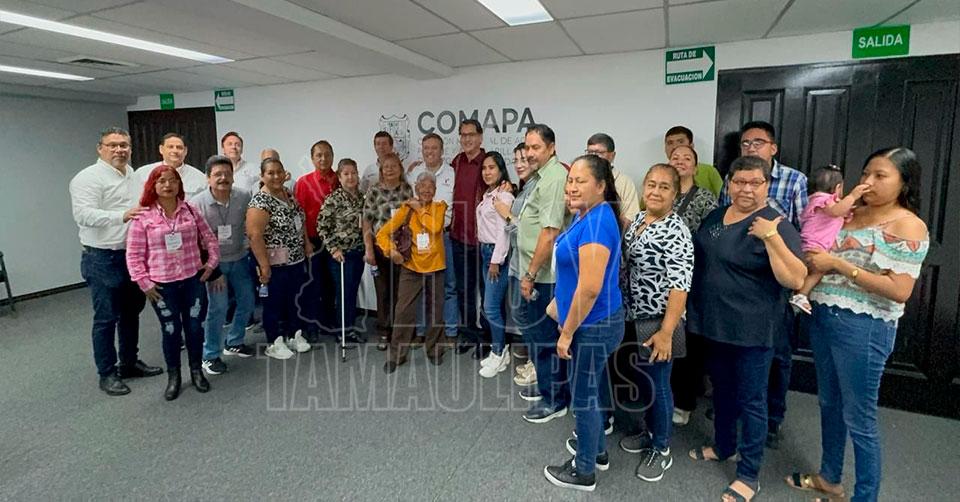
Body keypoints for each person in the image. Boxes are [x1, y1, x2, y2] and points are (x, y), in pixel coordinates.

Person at [785, 147, 928, 502]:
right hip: (823, 317)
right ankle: (829, 478)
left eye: (880, 176)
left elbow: (899, 290)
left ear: (904, 182)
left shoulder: (907, 224)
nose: (868, 182)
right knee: (829, 404)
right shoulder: (850, 212)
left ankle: (865, 497)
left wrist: (839, 265)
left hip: (864, 326)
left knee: (860, 418)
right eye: (865, 173)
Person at [687, 156, 806, 502]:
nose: (747, 189)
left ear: (767, 185)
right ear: (729, 183)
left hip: (753, 330)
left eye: (756, 183)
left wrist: (771, 238)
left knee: (752, 401)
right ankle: (724, 446)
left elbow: (796, 279)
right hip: (715, 324)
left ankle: (749, 475)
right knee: (722, 391)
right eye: (740, 182)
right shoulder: (716, 216)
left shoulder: (776, 224)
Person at [719, 120, 809, 448]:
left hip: (777, 276)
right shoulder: (732, 178)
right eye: (745, 143)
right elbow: (726, 216)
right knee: (736, 362)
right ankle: (734, 418)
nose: (751, 147)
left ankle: (772, 420)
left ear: (773, 147)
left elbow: (805, 228)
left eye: (758, 142)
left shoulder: (795, 180)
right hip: (739, 274)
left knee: (777, 357)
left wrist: (779, 247)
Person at [542, 154, 623, 492]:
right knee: (590, 391)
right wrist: (557, 305)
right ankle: (596, 450)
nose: (572, 187)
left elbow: (589, 288)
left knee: (584, 398)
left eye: (581, 181)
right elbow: (574, 273)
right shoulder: (586, 214)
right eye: (570, 180)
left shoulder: (596, 224)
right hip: (591, 321)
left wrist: (567, 332)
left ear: (601, 186)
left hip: (592, 325)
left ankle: (584, 470)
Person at [70, 127, 163, 396]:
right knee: (106, 317)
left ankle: (129, 363)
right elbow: (83, 215)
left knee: (131, 312)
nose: (119, 150)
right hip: (102, 257)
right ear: (100, 148)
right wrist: (121, 215)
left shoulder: (133, 175)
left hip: (132, 255)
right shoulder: (87, 178)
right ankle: (107, 373)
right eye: (113, 145)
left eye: (124, 145)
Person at [617, 164, 694, 483]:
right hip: (635, 316)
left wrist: (666, 332)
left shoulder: (677, 231)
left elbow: (680, 285)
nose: (655, 191)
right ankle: (649, 432)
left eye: (664, 187)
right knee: (645, 382)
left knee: (659, 385)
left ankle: (661, 448)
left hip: (660, 321)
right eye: (651, 184)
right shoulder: (639, 219)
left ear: (675, 193)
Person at [126, 165, 220, 401]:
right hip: (161, 286)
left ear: (179, 184)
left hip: (192, 281)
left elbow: (210, 239)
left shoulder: (190, 210)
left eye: (172, 180)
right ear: (153, 186)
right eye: (161, 181)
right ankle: (174, 376)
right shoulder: (143, 216)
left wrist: (211, 265)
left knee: (195, 328)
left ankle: (197, 371)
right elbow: (133, 255)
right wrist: (144, 284)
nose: (167, 185)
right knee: (171, 330)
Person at [517, 124, 570, 424]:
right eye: (527, 147)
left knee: (545, 339)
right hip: (534, 270)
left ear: (551, 148)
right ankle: (549, 387)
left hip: (543, 276)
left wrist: (530, 275)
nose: (530, 153)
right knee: (538, 337)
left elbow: (549, 233)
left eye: (536, 147)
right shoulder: (540, 176)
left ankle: (555, 400)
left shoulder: (554, 178)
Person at [665, 143, 719, 425]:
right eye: (675, 157)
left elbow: (714, 235)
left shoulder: (705, 198)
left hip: (693, 277)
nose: (680, 161)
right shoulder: (663, 193)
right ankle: (663, 397)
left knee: (688, 341)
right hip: (661, 279)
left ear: (696, 167)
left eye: (687, 158)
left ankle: (684, 402)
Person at [375, 172, 448, 373]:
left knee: (436, 312)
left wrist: (419, 209)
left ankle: (434, 350)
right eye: (422, 186)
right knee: (403, 312)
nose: (426, 190)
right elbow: (382, 234)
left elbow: (435, 227)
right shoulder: (405, 210)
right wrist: (391, 251)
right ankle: (396, 355)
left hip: (436, 267)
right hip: (411, 268)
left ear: (435, 190)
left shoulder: (439, 207)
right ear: (416, 188)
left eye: (430, 187)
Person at [190, 155, 255, 376]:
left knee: (247, 301)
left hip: (239, 259)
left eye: (227, 174)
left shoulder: (243, 196)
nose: (223, 178)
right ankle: (210, 355)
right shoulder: (196, 204)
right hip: (214, 264)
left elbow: (249, 225)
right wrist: (211, 268)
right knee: (217, 309)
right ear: (208, 178)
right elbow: (195, 241)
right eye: (217, 174)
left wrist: (247, 246)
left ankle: (234, 341)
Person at [247, 158, 313, 360]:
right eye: (270, 173)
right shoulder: (260, 202)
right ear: (262, 176)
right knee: (273, 303)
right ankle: (274, 341)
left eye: (279, 172)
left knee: (294, 299)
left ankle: (294, 335)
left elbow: (300, 221)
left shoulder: (288, 195)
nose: (276, 176)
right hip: (272, 263)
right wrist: (264, 265)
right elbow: (254, 235)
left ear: (285, 173)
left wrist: (306, 242)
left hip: (295, 260)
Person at [788, 165, 871, 314]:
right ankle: (800, 295)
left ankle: (798, 294)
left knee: (813, 272)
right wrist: (852, 196)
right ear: (838, 188)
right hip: (813, 246)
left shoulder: (822, 202)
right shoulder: (822, 199)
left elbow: (839, 214)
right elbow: (836, 211)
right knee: (818, 271)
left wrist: (848, 211)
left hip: (813, 246)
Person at [406, 134, 459, 345]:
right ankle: (420, 331)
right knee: (421, 286)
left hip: (443, 237)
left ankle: (451, 331)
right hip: (420, 238)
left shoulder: (452, 173)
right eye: (426, 148)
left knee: (448, 286)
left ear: (442, 150)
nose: (430, 152)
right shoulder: (414, 173)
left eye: (434, 148)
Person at [494, 143, 538, 387]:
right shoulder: (524, 188)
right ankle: (535, 361)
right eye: (516, 160)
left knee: (530, 316)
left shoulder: (537, 190)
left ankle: (538, 365)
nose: (520, 164)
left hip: (530, 265)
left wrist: (506, 213)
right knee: (522, 314)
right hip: (518, 262)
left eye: (525, 159)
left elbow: (529, 231)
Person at [362, 152, 414, 351]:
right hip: (381, 249)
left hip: (402, 250)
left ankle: (400, 333)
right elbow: (367, 221)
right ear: (381, 170)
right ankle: (384, 331)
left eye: (394, 166)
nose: (390, 169)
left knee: (402, 293)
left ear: (400, 169)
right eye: (386, 167)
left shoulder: (406, 190)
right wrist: (369, 249)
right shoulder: (374, 191)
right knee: (383, 292)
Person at [450, 119, 489, 359]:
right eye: (463, 135)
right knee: (464, 291)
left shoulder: (488, 162)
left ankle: (486, 340)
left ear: (480, 137)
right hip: (459, 237)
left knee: (486, 294)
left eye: (471, 134)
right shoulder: (457, 162)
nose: (467, 139)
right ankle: (468, 334)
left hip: (483, 240)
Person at [294, 140, 340, 342]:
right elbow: (300, 215)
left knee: (331, 283)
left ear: (333, 156)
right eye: (319, 155)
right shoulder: (304, 183)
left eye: (327, 154)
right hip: (312, 240)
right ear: (312, 158)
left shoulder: (339, 180)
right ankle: (311, 325)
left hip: (335, 242)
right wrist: (305, 242)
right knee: (313, 284)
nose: (323, 158)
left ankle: (328, 321)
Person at [316, 159, 366, 344]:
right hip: (341, 255)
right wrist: (334, 249)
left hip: (358, 252)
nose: (350, 177)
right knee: (343, 294)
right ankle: (342, 331)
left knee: (352, 292)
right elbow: (322, 226)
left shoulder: (362, 198)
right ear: (339, 176)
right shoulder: (333, 199)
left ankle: (350, 327)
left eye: (353, 173)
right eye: (346, 174)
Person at [476, 151, 515, 378]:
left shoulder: (504, 197)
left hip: (495, 255)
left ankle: (499, 352)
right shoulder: (489, 194)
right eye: (484, 168)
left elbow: (504, 233)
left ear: (501, 170)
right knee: (493, 306)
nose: (487, 172)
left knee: (490, 307)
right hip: (485, 251)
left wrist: (495, 261)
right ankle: (500, 350)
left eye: (492, 168)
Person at [585, 133, 640, 227]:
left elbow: (631, 218)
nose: (593, 157)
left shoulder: (624, 182)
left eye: (599, 153)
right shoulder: (581, 180)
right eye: (590, 152)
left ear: (612, 155)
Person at [136, 132, 207, 198]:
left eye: (179, 147)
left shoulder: (200, 179)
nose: (175, 151)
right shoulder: (143, 174)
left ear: (185, 151)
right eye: (170, 147)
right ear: (161, 149)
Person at [664, 126, 723, 196]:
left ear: (691, 146)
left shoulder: (709, 171)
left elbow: (724, 198)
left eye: (680, 142)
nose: (675, 146)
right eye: (670, 143)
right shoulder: (659, 173)